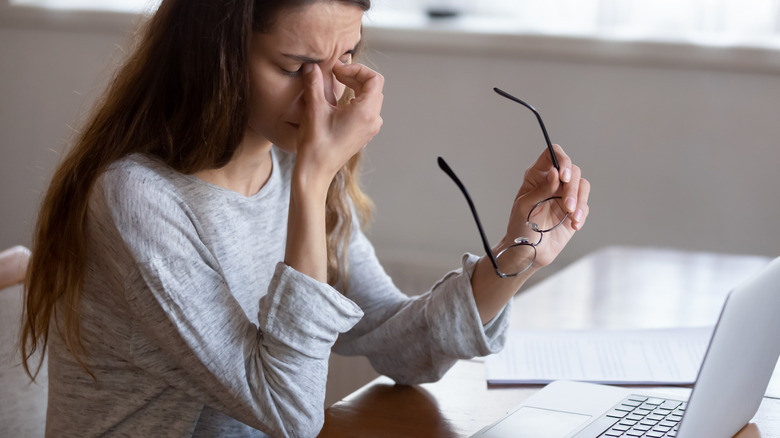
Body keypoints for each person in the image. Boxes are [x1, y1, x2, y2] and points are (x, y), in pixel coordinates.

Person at [20, 0, 590, 437]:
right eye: (295, 67)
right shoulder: (137, 200)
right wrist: (315, 181)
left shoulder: (290, 165)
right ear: (215, 53)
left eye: (344, 59)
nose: (324, 97)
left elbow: (396, 343)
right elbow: (289, 413)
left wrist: (520, 250)